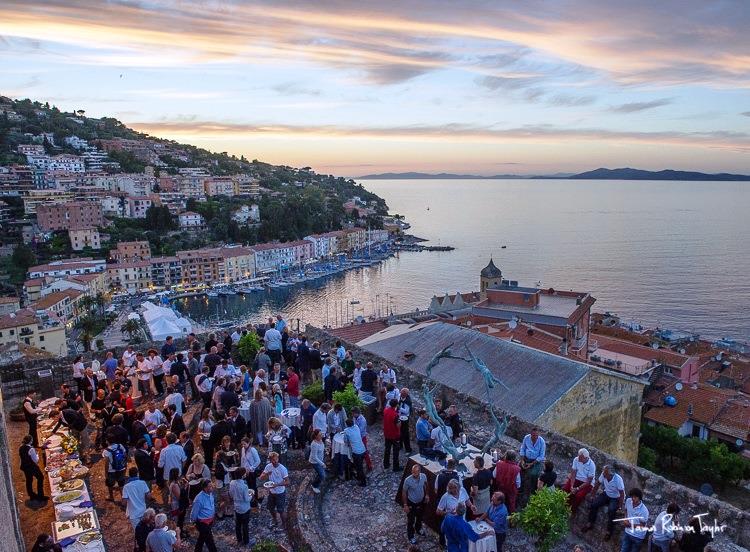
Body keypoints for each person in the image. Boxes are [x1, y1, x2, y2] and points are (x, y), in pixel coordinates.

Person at [584, 464, 625, 540]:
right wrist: (592, 495)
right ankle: (590, 523)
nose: (603, 473)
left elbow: (622, 494)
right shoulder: (603, 475)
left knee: (612, 511)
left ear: (610, 474)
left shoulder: (618, 479)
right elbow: (597, 484)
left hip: (615, 497)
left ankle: (609, 531)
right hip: (606, 494)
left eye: (605, 473)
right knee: (594, 504)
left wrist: (619, 507)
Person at [437, 479, 476, 547]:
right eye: (453, 489)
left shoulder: (462, 490)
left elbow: (467, 500)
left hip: (462, 522)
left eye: (457, 488)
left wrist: (471, 506)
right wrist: (448, 513)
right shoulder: (445, 497)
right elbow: (438, 511)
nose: (456, 491)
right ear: (449, 489)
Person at [259, 451, 290, 526]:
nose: (275, 461)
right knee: (270, 508)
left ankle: (284, 524)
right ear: (270, 460)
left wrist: (277, 485)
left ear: (278, 459)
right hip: (272, 492)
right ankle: (275, 520)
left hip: (280, 492)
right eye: (273, 460)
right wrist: (266, 474)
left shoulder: (282, 469)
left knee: (280, 510)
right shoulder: (268, 466)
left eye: (276, 459)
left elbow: (287, 482)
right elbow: (261, 478)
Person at [562, 448, 596, 513]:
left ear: (585, 457)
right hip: (576, 479)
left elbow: (589, 481)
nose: (579, 458)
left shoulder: (592, 465)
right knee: (565, 489)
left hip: (586, 483)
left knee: (578, 496)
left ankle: (572, 511)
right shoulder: (576, 459)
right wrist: (572, 486)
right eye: (579, 456)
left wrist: (577, 489)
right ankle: (564, 507)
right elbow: (573, 473)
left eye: (580, 457)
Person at [402, 464, 428, 544]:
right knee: (411, 520)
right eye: (413, 472)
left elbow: (426, 484)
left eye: (416, 472)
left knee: (420, 517)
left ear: (419, 472)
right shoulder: (407, 480)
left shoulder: (423, 476)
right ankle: (411, 536)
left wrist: (427, 495)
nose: (414, 474)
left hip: (421, 501)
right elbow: (404, 492)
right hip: (411, 503)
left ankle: (418, 529)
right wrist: (405, 505)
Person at [519, 427, 546, 503]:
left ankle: (532, 491)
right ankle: (520, 487)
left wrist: (531, 464)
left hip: (536, 461)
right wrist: (522, 460)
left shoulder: (542, 442)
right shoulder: (526, 438)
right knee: (518, 469)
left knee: (534, 475)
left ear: (538, 435)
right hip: (526, 458)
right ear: (531, 434)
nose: (535, 437)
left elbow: (541, 456)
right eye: (533, 435)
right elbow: (523, 448)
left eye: (536, 435)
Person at [190, 479, 217, 552]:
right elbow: (194, 512)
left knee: (201, 538)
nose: (212, 487)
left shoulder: (210, 493)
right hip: (202, 523)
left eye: (211, 485)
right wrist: (194, 522)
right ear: (205, 488)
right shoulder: (199, 499)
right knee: (210, 542)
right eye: (210, 486)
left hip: (210, 521)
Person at [19, 434, 47, 502]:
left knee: (29, 480)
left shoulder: (21, 447)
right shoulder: (31, 449)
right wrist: (37, 454)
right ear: (31, 441)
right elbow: (36, 460)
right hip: (31, 467)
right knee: (40, 477)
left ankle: (31, 495)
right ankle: (40, 495)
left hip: (25, 467)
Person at [620, 488, 649, 552]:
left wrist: (630, 524)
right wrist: (626, 519)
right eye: (632, 496)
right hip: (627, 532)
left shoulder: (644, 510)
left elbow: (642, 526)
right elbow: (626, 510)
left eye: (635, 497)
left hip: (637, 536)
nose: (633, 498)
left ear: (639, 498)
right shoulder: (628, 501)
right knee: (623, 550)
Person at [229, 468, 251, 545]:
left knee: (238, 525)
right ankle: (246, 541)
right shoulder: (244, 486)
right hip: (245, 508)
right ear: (242, 475)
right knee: (245, 525)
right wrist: (252, 495)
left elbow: (231, 495)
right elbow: (247, 499)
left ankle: (239, 539)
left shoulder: (232, 483)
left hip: (236, 507)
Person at [343, 418, 367, 486]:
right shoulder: (356, 426)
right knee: (359, 465)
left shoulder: (346, 431)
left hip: (356, 452)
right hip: (362, 449)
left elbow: (345, 441)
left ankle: (363, 482)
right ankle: (360, 477)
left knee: (359, 467)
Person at [240, 437, 261, 508]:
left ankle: (255, 501)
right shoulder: (243, 449)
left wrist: (251, 468)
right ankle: (250, 499)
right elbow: (242, 460)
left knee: (253, 486)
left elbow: (258, 461)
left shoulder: (253, 450)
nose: (243, 446)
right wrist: (242, 469)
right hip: (245, 471)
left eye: (244, 444)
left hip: (251, 472)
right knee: (247, 486)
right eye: (242, 444)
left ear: (248, 443)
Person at [351, 406, 373, 471]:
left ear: (356, 413)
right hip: (356, 437)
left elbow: (360, 431)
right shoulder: (355, 417)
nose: (352, 415)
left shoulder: (363, 420)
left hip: (362, 437)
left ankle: (369, 465)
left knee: (365, 451)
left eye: (353, 413)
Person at [383, 398, 401, 472]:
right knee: (395, 451)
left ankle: (386, 465)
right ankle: (396, 467)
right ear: (396, 404)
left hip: (387, 434)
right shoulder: (395, 414)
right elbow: (398, 425)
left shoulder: (385, 410)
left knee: (387, 450)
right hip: (394, 435)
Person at [308, 429, 326, 494]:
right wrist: (322, 464)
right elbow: (314, 457)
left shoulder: (320, 441)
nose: (321, 436)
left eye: (321, 434)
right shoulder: (314, 444)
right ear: (316, 436)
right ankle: (314, 485)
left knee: (321, 473)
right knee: (322, 475)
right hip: (315, 462)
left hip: (320, 459)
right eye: (320, 435)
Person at [398, 388, 413, 454]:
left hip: (405, 419)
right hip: (400, 417)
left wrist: (399, 407)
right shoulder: (400, 397)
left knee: (405, 434)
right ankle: (400, 445)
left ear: (405, 395)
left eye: (402, 394)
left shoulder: (408, 401)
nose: (400, 394)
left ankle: (408, 449)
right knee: (399, 432)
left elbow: (406, 411)